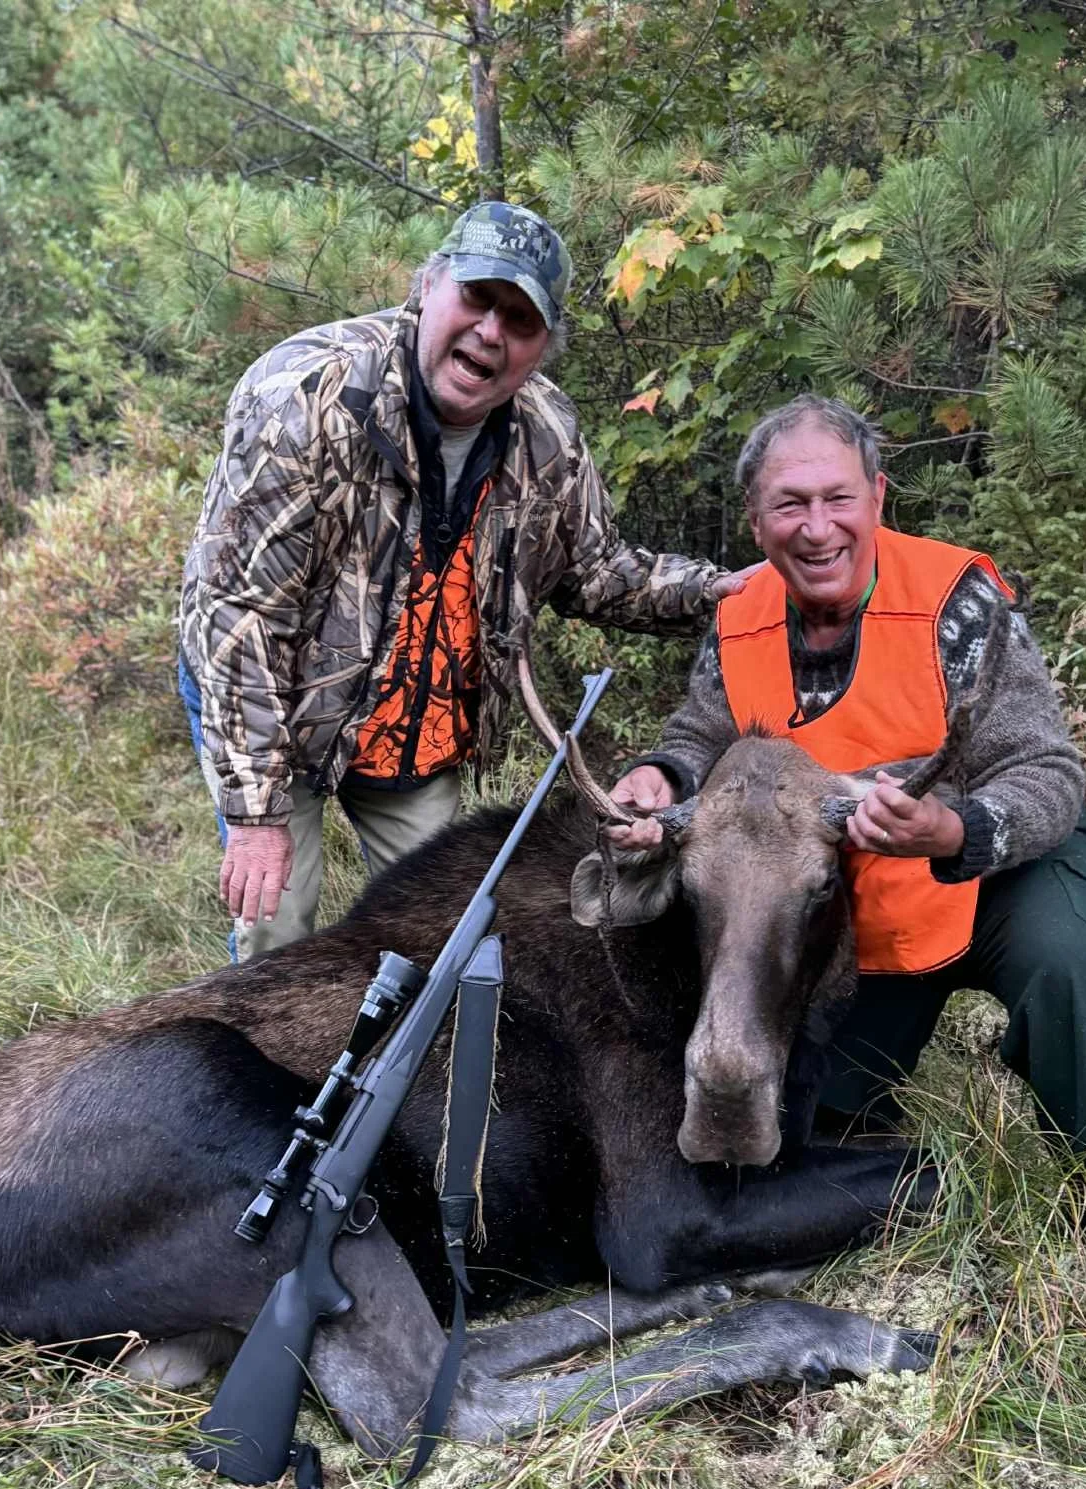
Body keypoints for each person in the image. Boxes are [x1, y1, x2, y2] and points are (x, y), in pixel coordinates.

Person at [608, 394, 1086, 1307]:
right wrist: (659, 779)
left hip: (1002, 870)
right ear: (755, 519)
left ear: (877, 494)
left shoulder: (957, 602)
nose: (818, 527)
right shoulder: (741, 616)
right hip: (862, 909)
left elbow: (1046, 769)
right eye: (790, 504)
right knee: (825, 1120)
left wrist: (958, 828)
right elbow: (698, 734)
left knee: (1073, 974)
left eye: (838, 498)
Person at [179, 201, 754, 958]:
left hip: (415, 734)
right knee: (277, 929)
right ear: (428, 287)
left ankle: (395, 1065)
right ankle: (270, 1069)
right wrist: (255, 814)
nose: (491, 331)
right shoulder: (303, 397)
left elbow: (595, 571)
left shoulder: (546, 435)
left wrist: (726, 595)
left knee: (445, 942)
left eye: (520, 320)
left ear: (543, 348)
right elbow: (238, 614)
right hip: (274, 707)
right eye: (479, 298)